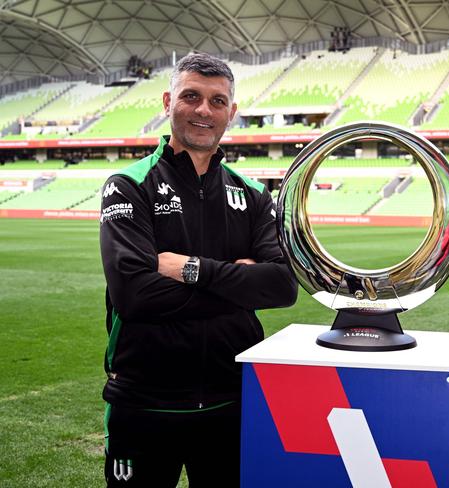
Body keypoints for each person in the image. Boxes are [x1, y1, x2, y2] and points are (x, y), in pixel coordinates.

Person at [99, 52, 298, 487]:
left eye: (217, 100)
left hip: (233, 403)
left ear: (232, 112)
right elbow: (135, 295)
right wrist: (238, 283)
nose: (204, 110)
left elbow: (282, 286)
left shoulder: (254, 195)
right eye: (191, 97)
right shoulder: (129, 185)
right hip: (145, 405)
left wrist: (191, 269)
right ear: (169, 101)